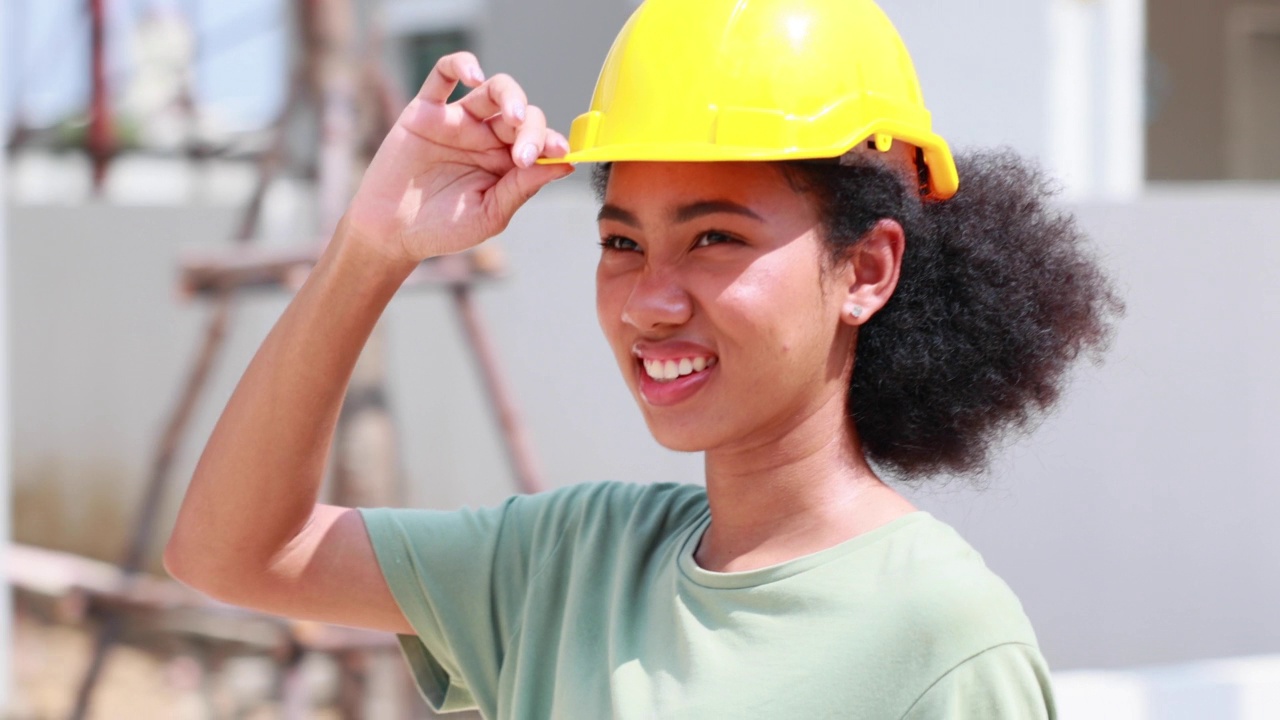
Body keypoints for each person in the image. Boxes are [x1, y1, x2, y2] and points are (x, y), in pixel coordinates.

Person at [166, 0, 1121, 717]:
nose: (651, 303)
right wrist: (374, 246)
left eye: (714, 239)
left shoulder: (944, 642)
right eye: (621, 243)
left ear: (866, 267)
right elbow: (236, 551)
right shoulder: (566, 566)